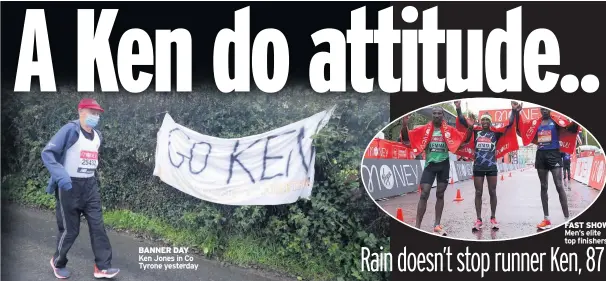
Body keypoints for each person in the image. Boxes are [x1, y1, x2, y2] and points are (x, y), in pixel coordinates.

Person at [41, 98, 120, 279]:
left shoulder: (98, 135)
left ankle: (102, 267)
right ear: (81, 112)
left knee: (98, 226)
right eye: (92, 113)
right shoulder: (70, 130)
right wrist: (62, 177)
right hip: (69, 186)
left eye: (98, 114)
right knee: (70, 230)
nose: (96, 117)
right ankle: (57, 261)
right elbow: (48, 153)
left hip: (89, 187)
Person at [454, 101, 521, 231]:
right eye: (483, 120)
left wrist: (513, 111)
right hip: (478, 166)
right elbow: (462, 121)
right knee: (478, 192)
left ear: (490, 122)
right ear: (481, 121)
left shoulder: (495, 133)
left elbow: (509, 125)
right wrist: (458, 108)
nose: (485, 122)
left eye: (487, 120)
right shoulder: (475, 131)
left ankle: (493, 217)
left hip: (491, 167)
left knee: (492, 192)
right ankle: (478, 219)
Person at [400, 107, 466, 236]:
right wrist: (404, 124)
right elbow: (407, 138)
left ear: (442, 116)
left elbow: (463, 140)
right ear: (432, 115)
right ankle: (417, 226)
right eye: (434, 113)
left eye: (439, 113)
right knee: (424, 193)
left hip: (444, 165)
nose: (436, 115)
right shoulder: (425, 129)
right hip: (430, 165)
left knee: (440, 194)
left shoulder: (449, 131)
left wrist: (468, 127)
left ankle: (437, 225)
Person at [517, 106, 580, 230]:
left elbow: (572, 128)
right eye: (542, 109)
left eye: (546, 109)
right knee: (543, 186)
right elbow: (522, 131)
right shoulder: (537, 123)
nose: (544, 111)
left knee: (559, 185)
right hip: (541, 155)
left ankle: (567, 219)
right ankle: (546, 219)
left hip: (554, 155)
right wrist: (516, 112)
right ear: (540, 110)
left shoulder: (557, 121)